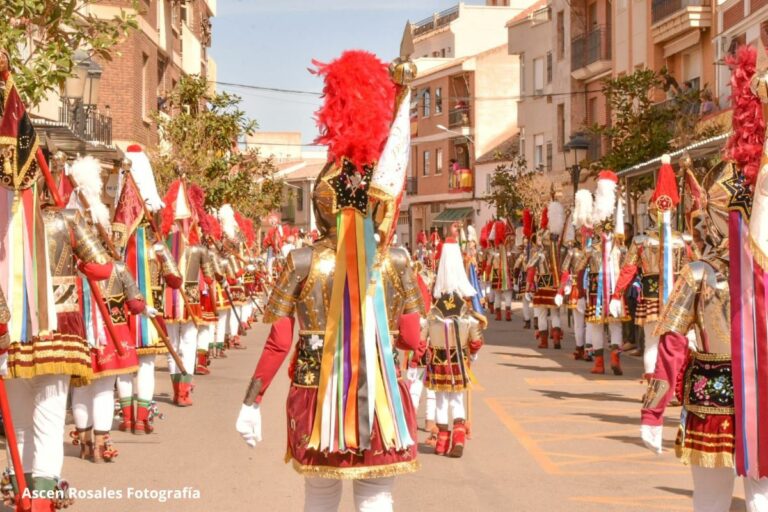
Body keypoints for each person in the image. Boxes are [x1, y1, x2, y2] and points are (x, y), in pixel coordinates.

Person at [235, 49, 424, 511]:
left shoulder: (300, 260)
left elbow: (280, 342)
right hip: (382, 391)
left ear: (321, 204)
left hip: (315, 391)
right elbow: (411, 335)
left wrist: (251, 399)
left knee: (319, 495)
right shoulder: (396, 260)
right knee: (377, 495)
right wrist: (416, 367)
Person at [423, 237, 484, 457]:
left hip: (438, 360)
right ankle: (458, 440)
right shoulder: (465, 310)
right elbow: (476, 340)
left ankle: (441, 443)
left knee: (440, 401)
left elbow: (422, 338)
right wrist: (473, 353)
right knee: (457, 400)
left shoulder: (434, 311)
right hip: (459, 359)